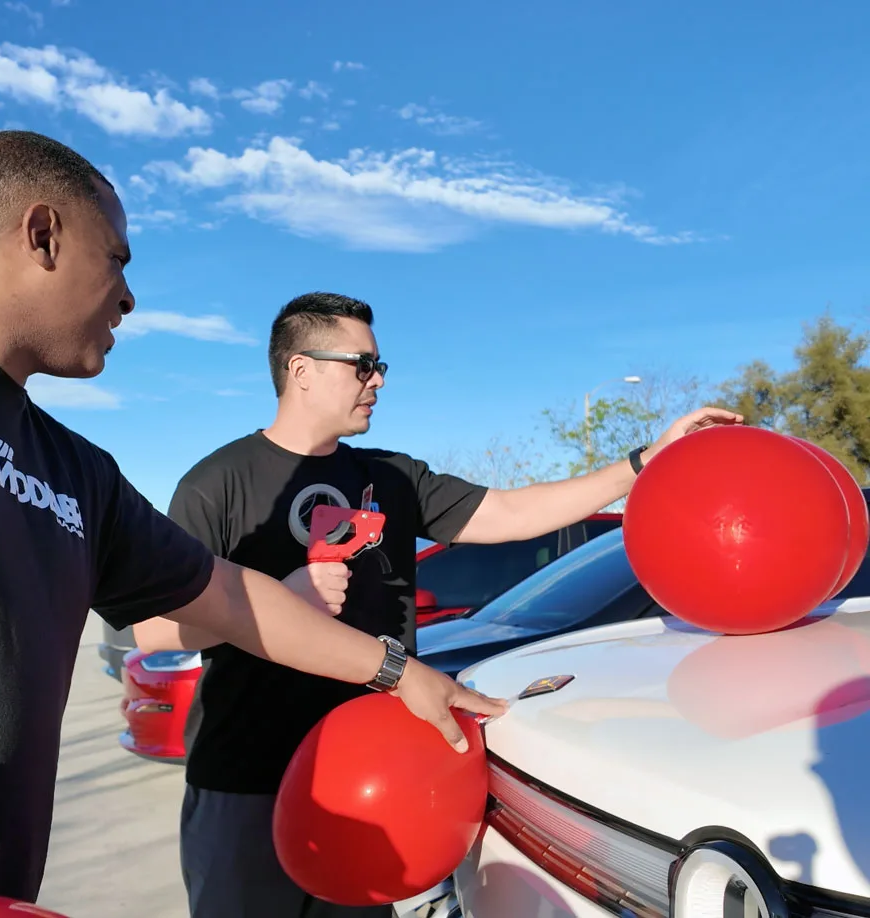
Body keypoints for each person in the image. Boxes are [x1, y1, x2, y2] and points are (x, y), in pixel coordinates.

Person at [0, 133, 508, 918]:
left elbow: (226, 596)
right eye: (117, 258)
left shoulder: (76, 471)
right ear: (43, 234)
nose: (130, 295)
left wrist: (397, 672)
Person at [132, 292, 743, 918]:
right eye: (361, 364)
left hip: (369, 778)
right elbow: (153, 630)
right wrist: (274, 603)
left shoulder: (393, 477)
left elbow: (512, 512)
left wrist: (642, 463)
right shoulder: (218, 483)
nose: (377, 380)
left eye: (380, 366)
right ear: (301, 369)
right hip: (247, 781)